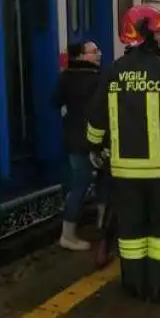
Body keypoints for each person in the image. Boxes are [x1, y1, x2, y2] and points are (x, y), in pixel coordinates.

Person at [86, 4, 160, 303]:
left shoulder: (113, 72)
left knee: (131, 231)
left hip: (124, 173)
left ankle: (134, 286)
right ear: (147, 34)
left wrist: (95, 147)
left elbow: (96, 119)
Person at [52, 40, 104, 251]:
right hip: (94, 140)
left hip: (73, 138)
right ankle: (72, 235)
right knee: (95, 183)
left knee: (79, 183)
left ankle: (72, 232)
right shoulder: (97, 79)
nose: (99, 54)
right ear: (82, 56)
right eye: (94, 51)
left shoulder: (65, 77)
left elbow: (55, 102)